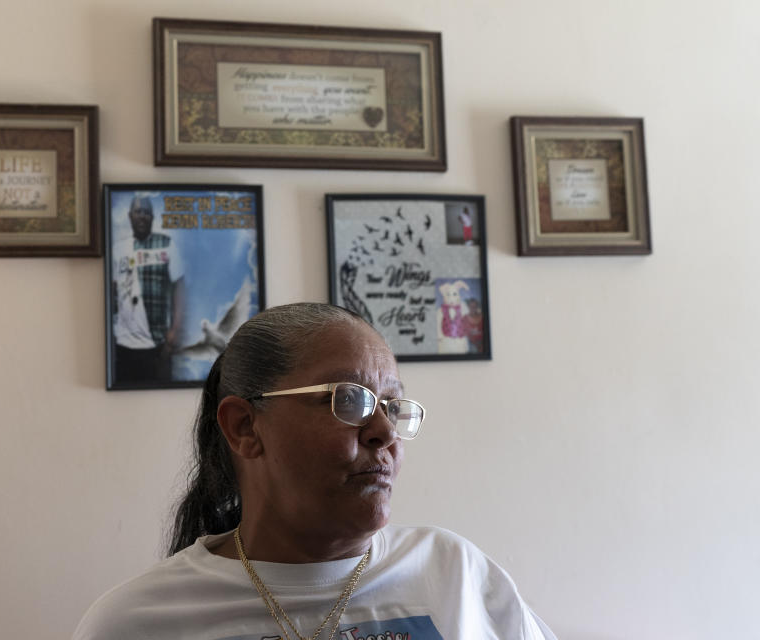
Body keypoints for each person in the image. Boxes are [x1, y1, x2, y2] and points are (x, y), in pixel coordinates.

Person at [75, 303, 556, 639]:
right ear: (245, 427)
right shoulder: (137, 623)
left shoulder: (455, 574)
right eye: (350, 400)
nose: (384, 432)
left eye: (392, 405)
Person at [112, 195, 186, 383]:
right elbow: (111, 292)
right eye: (138, 212)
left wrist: (175, 330)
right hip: (123, 344)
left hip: (158, 345)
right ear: (130, 216)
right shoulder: (118, 249)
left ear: (153, 217)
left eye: (147, 212)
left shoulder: (167, 245)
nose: (142, 216)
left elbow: (179, 286)